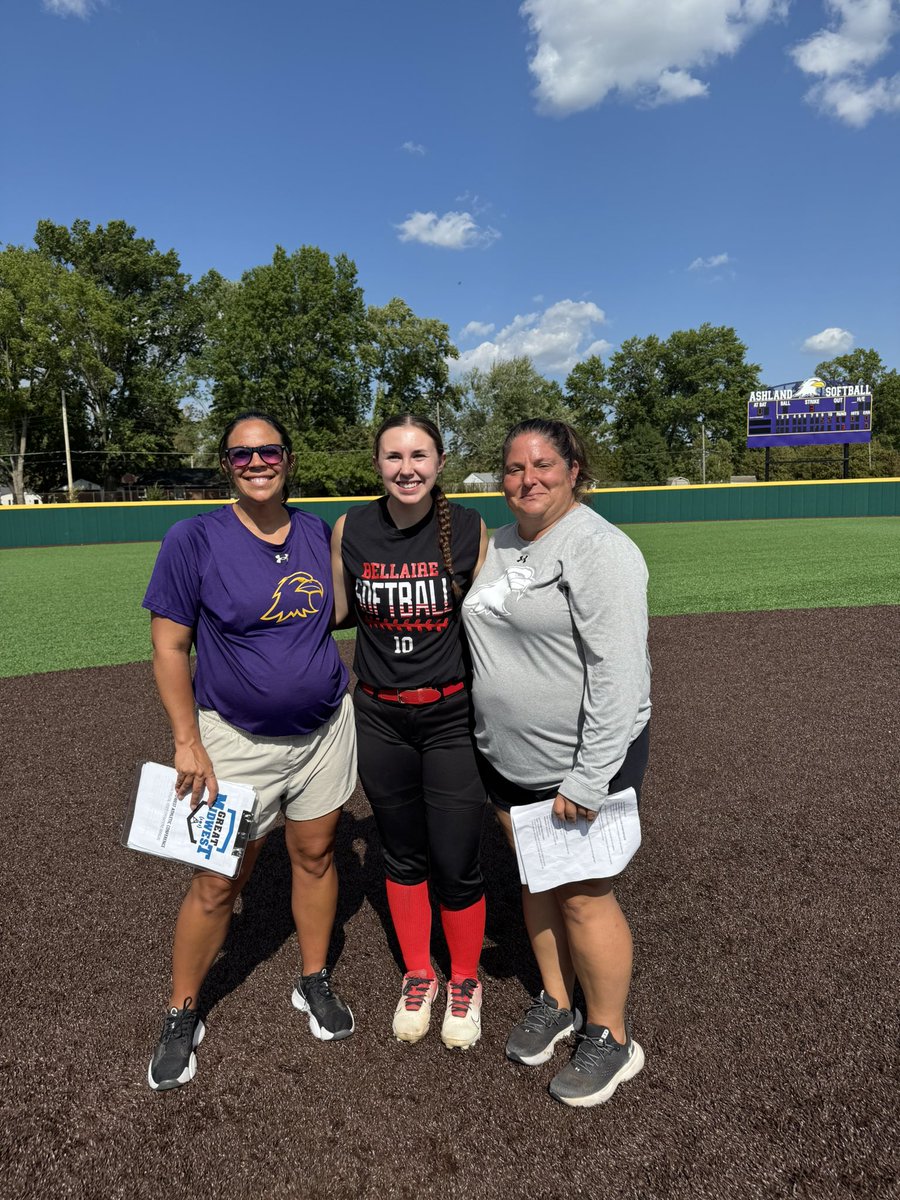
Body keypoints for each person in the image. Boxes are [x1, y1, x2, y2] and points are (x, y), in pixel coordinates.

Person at [142, 410, 357, 1091]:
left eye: (268, 451)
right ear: (226, 465)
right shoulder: (193, 538)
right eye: (241, 455)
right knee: (216, 881)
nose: (257, 462)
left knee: (317, 855)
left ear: (288, 459)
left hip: (325, 730)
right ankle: (182, 1011)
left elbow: (342, 614)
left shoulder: (317, 532)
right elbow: (170, 646)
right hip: (233, 740)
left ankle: (313, 979)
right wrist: (187, 742)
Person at [462, 418, 652, 1106]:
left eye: (543, 465)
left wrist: (588, 774)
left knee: (582, 895)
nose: (527, 479)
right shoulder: (501, 542)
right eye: (514, 468)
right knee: (537, 882)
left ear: (574, 469)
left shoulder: (599, 548)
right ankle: (556, 998)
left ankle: (612, 1036)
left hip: (581, 762)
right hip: (509, 758)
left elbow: (619, 673)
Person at [331, 413, 489, 1049]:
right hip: (380, 715)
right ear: (377, 464)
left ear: (440, 461)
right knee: (401, 851)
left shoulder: (472, 530)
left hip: (451, 716)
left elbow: (500, 627)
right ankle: (419, 973)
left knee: (456, 857)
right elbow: (330, 613)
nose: (407, 468)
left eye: (419, 455)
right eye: (393, 456)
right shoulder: (353, 527)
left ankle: (466, 980)